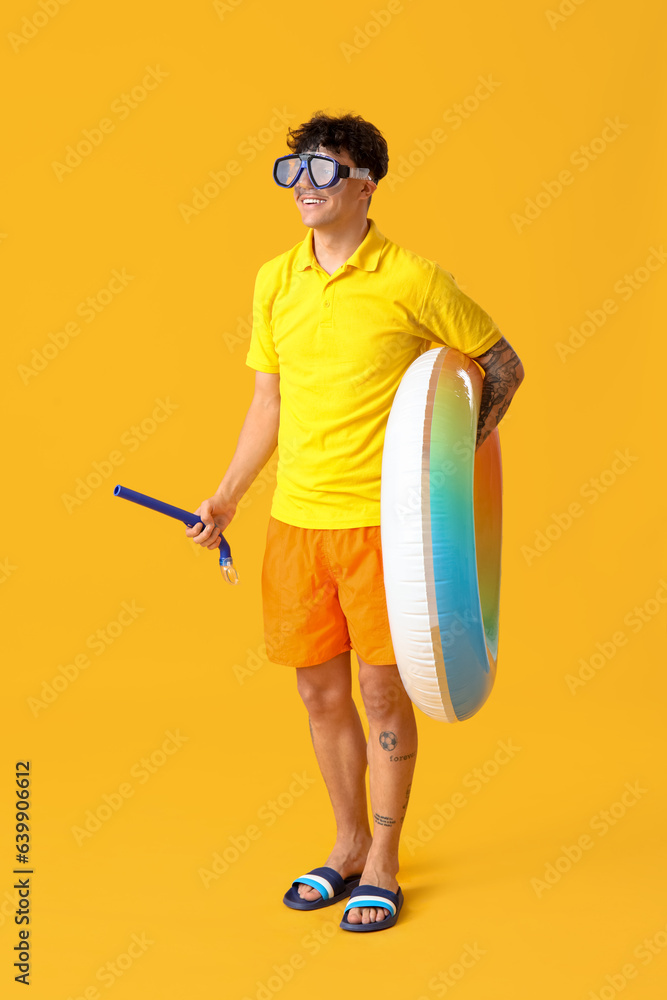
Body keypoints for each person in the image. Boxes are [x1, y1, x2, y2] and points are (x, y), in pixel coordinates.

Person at [186, 111, 525, 932]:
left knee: (380, 691)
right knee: (318, 693)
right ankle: (341, 847)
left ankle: (382, 858)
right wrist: (228, 493)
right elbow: (267, 400)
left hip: (384, 532)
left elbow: (501, 365)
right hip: (295, 524)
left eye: (323, 170)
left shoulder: (410, 277)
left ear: (365, 183)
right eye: (292, 170)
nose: (303, 185)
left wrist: (439, 481)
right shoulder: (274, 279)